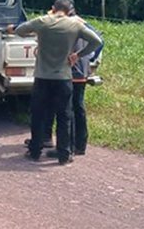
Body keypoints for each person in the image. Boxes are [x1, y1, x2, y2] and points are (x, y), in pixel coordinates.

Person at [7, 0, 102, 165]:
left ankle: (35, 150)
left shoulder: (43, 21)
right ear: (69, 10)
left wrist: (36, 30)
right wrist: (77, 55)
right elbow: (96, 41)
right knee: (64, 115)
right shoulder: (75, 24)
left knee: (38, 114)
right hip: (63, 77)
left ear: (53, 8)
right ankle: (64, 154)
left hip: (43, 76)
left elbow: (20, 30)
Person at [31, 11, 103, 156]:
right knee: (76, 108)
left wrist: (77, 56)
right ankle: (78, 145)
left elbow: (98, 42)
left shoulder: (68, 25)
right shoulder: (82, 24)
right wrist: (88, 59)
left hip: (70, 71)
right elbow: (99, 41)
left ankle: (66, 146)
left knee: (67, 111)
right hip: (80, 70)